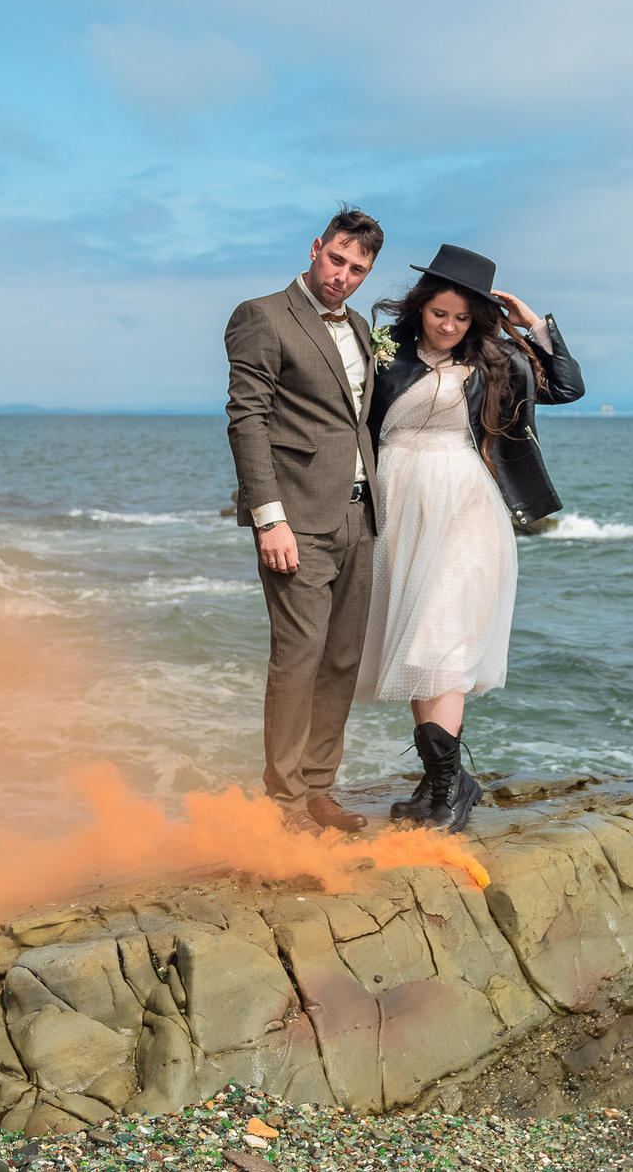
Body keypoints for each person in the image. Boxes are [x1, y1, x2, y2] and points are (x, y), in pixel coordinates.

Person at [361, 244, 586, 832]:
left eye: (463, 318)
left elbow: (567, 387)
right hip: (398, 513)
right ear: (420, 307)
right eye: (440, 314)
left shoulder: (497, 361)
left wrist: (533, 326)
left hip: (465, 510)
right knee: (415, 644)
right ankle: (447, 784)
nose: (450, 327)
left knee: (439, 643)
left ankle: (447, 792)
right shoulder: (385, 356)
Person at [224, 208, 387, 833]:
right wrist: (270, 520)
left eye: (358, 270)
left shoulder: (364, 335)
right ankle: (284, 802)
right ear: (315, 248)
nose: (343, 276)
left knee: (342, 659)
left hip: (357, 515)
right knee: (298, 656)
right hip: (296, 521)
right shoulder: (262, 316)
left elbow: (353, 422)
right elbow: (248, 420)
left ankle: (319, 788)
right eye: (336, 260)